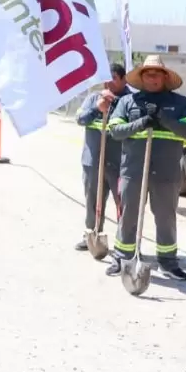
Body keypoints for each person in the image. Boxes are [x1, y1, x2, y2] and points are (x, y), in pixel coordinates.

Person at [107, 54, 186, 281]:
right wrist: (141, 122)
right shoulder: (128, 102)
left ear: (165, 77)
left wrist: (163, 118)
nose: (153, 78)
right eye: (148, 74)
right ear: (142, 77)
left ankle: (167, 262)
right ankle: (122, 256)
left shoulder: (181, 104)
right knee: (128, 215)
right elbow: (115, 131)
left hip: (166, 174)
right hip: (134, 170)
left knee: (166, 217)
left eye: (157, 73)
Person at [74, 64, 128, 250]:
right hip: (93, 162)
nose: (107, 82)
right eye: (105, 77)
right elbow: (80, 119)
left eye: (113, 77)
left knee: (124, 204)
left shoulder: (129, 101)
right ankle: (92, 233)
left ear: (123, 79)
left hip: (119, 164)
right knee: (92, 200)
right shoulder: (93, 98)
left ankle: (125, 243)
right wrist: (98, 109)